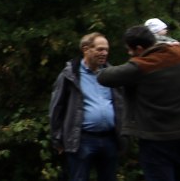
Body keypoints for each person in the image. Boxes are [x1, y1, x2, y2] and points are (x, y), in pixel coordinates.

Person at [97, 26, 180, 181]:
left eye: (129, 50)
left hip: (157, 139)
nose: (129, 54)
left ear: (138, 48)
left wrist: (132, 62)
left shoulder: (142, 66)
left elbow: (104, 77)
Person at [49, 32, 125, 181]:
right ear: (86, 49)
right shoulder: (70, 75)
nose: (104, 53)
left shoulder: (112, 74)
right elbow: (56, 107)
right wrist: (57, 139)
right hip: (82, 139)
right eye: (100, 49)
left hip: (110, 138)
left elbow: (121, 104)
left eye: (106, 50)